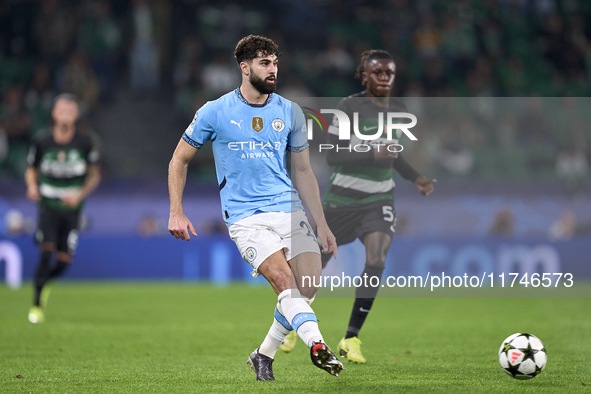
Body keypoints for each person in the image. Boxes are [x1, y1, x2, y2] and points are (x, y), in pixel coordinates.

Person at [168, 35, 344, 381]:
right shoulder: (214, 111)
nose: (273, 69)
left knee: (307, 287)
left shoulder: (290, 111)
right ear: (244, 67)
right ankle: (319, 346)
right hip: (247, 217)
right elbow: (179, 159)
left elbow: (304, 171)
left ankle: (263, 355)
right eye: (265, 63)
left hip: (289, 209)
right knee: (283, 281)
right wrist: (177, 210)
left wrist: (321, 223)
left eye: (275, 62)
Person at [280, 50, 436, 363]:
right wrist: (371, 154)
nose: (384, 78)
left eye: (389, 73)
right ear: (364, 75)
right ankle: (291, 325)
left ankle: (351, 337)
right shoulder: (348, 108)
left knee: (377, 257)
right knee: (312, 273)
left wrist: (415, 178)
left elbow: (392, 154)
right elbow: (334, 155)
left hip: (378, 200)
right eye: (377, 72)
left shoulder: (398, 110)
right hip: (341, 201)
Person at [25, 93, 102, 323]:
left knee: (63, 262)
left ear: (76, 115)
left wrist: (80, 194)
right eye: (62, 110)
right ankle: (37, 304)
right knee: (46, 251)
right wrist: (31, 186)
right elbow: (32, 168)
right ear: (54, 113)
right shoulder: (42, 141)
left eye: (70, 110)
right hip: (48, 206)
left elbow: (95, 175)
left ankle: (44, 283)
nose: (66, 114)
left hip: (72, 210)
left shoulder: (85, 143)